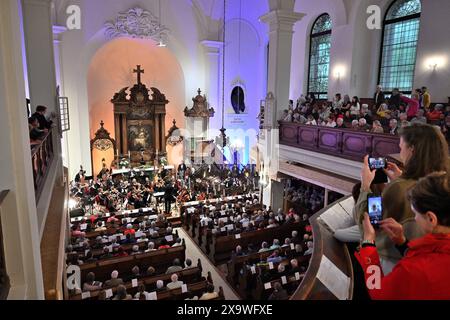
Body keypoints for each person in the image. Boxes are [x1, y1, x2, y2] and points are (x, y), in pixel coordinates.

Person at [354, 124, 450, 274]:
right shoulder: (443, 182)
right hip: (428, 260)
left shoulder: (398, 188)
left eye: (401, 147)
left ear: (412, 149)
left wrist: (366, 186)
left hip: (391, 262)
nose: (400, 152)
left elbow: (368, 226)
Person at [356, 172, 450, 300]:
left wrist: (368, 243)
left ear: (431, 218)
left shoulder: (413, 270)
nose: (415, 218)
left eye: (415, 213)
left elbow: (378, 292)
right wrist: (402, 243)